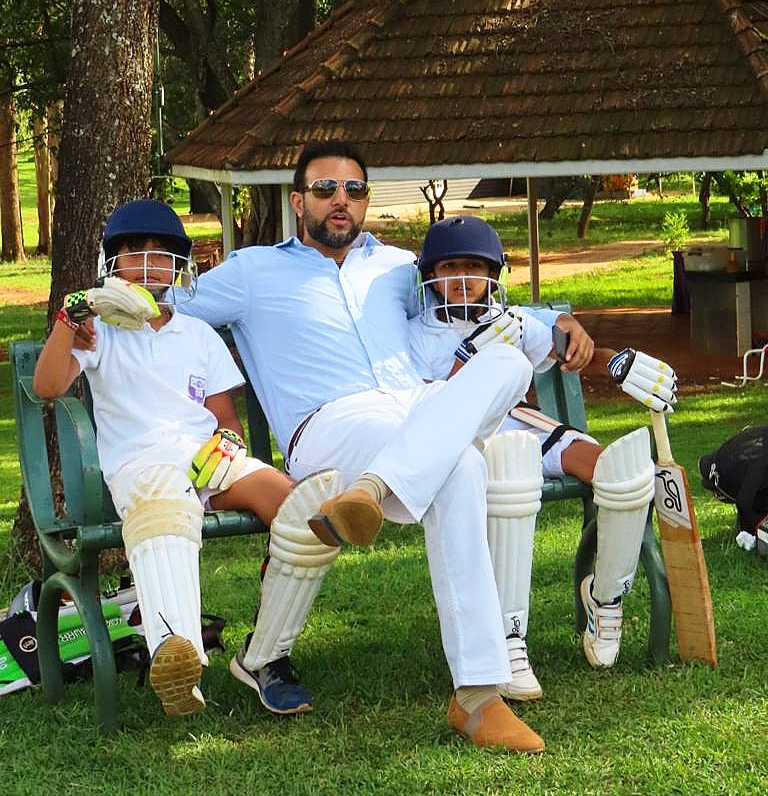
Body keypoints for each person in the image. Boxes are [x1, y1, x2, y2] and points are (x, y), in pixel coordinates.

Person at [165, 141, 607, 753]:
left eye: (354, 190)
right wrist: (87, 316)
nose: (341, 201)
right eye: (325, 190)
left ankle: (375, 492)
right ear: (298, 202)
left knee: (502, 361)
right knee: (461, 467)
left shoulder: (400, 268)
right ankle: (479, 695)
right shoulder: (252, 272)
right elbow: (167, 306)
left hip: (418, 410)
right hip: (330, 424)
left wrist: (555, 322)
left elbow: (468, 297)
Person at [33, 199, 338, 719]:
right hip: (141, 462)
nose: (149, 263)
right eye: (135, 252)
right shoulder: (97, 330)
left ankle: (263, 654)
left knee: (308, 515)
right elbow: (46, 386)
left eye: (162, 252)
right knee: (165, 513)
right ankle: (179, 660)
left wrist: (230, 444)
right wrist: (71, 318)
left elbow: (225, 418)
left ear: (181, 264)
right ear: (112, 262)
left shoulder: (196, 332)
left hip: (204, 458)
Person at [408, 215, 678, 699]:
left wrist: (620, 361)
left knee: (626, 471)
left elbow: (573, 349)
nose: (464, 278)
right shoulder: (414, 334)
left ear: (494, 274)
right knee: (512, 474)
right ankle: (508, 639)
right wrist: (467, 358)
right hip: (464, 443)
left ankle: (605, 599)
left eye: (476, 267)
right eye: (451, 266)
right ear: (430, 275)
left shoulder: (507, 320)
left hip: (524, 425)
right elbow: (425, 409)